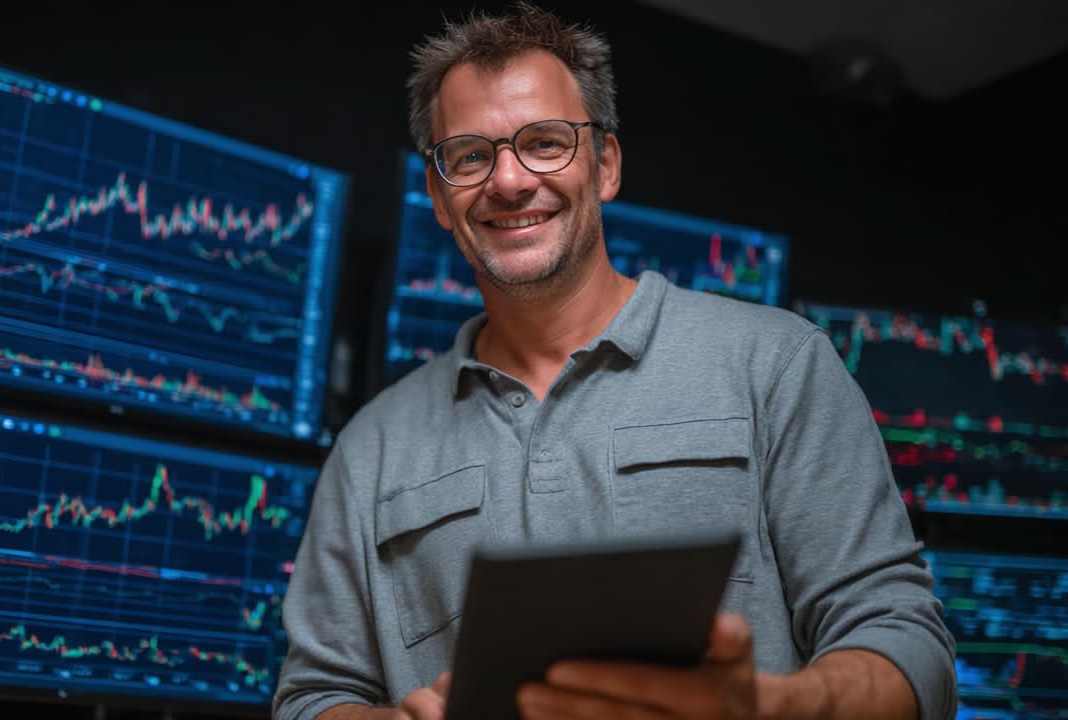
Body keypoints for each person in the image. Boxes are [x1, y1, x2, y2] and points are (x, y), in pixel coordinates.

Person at [272, 3, 957, 719]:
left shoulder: (776, 365)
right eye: (471, 155)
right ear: (440, 196)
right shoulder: (369, 451)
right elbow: (314, 698)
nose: (508, 181)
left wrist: (768, 709)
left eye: (544, 142)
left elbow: (905, 644)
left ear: (605, 165)